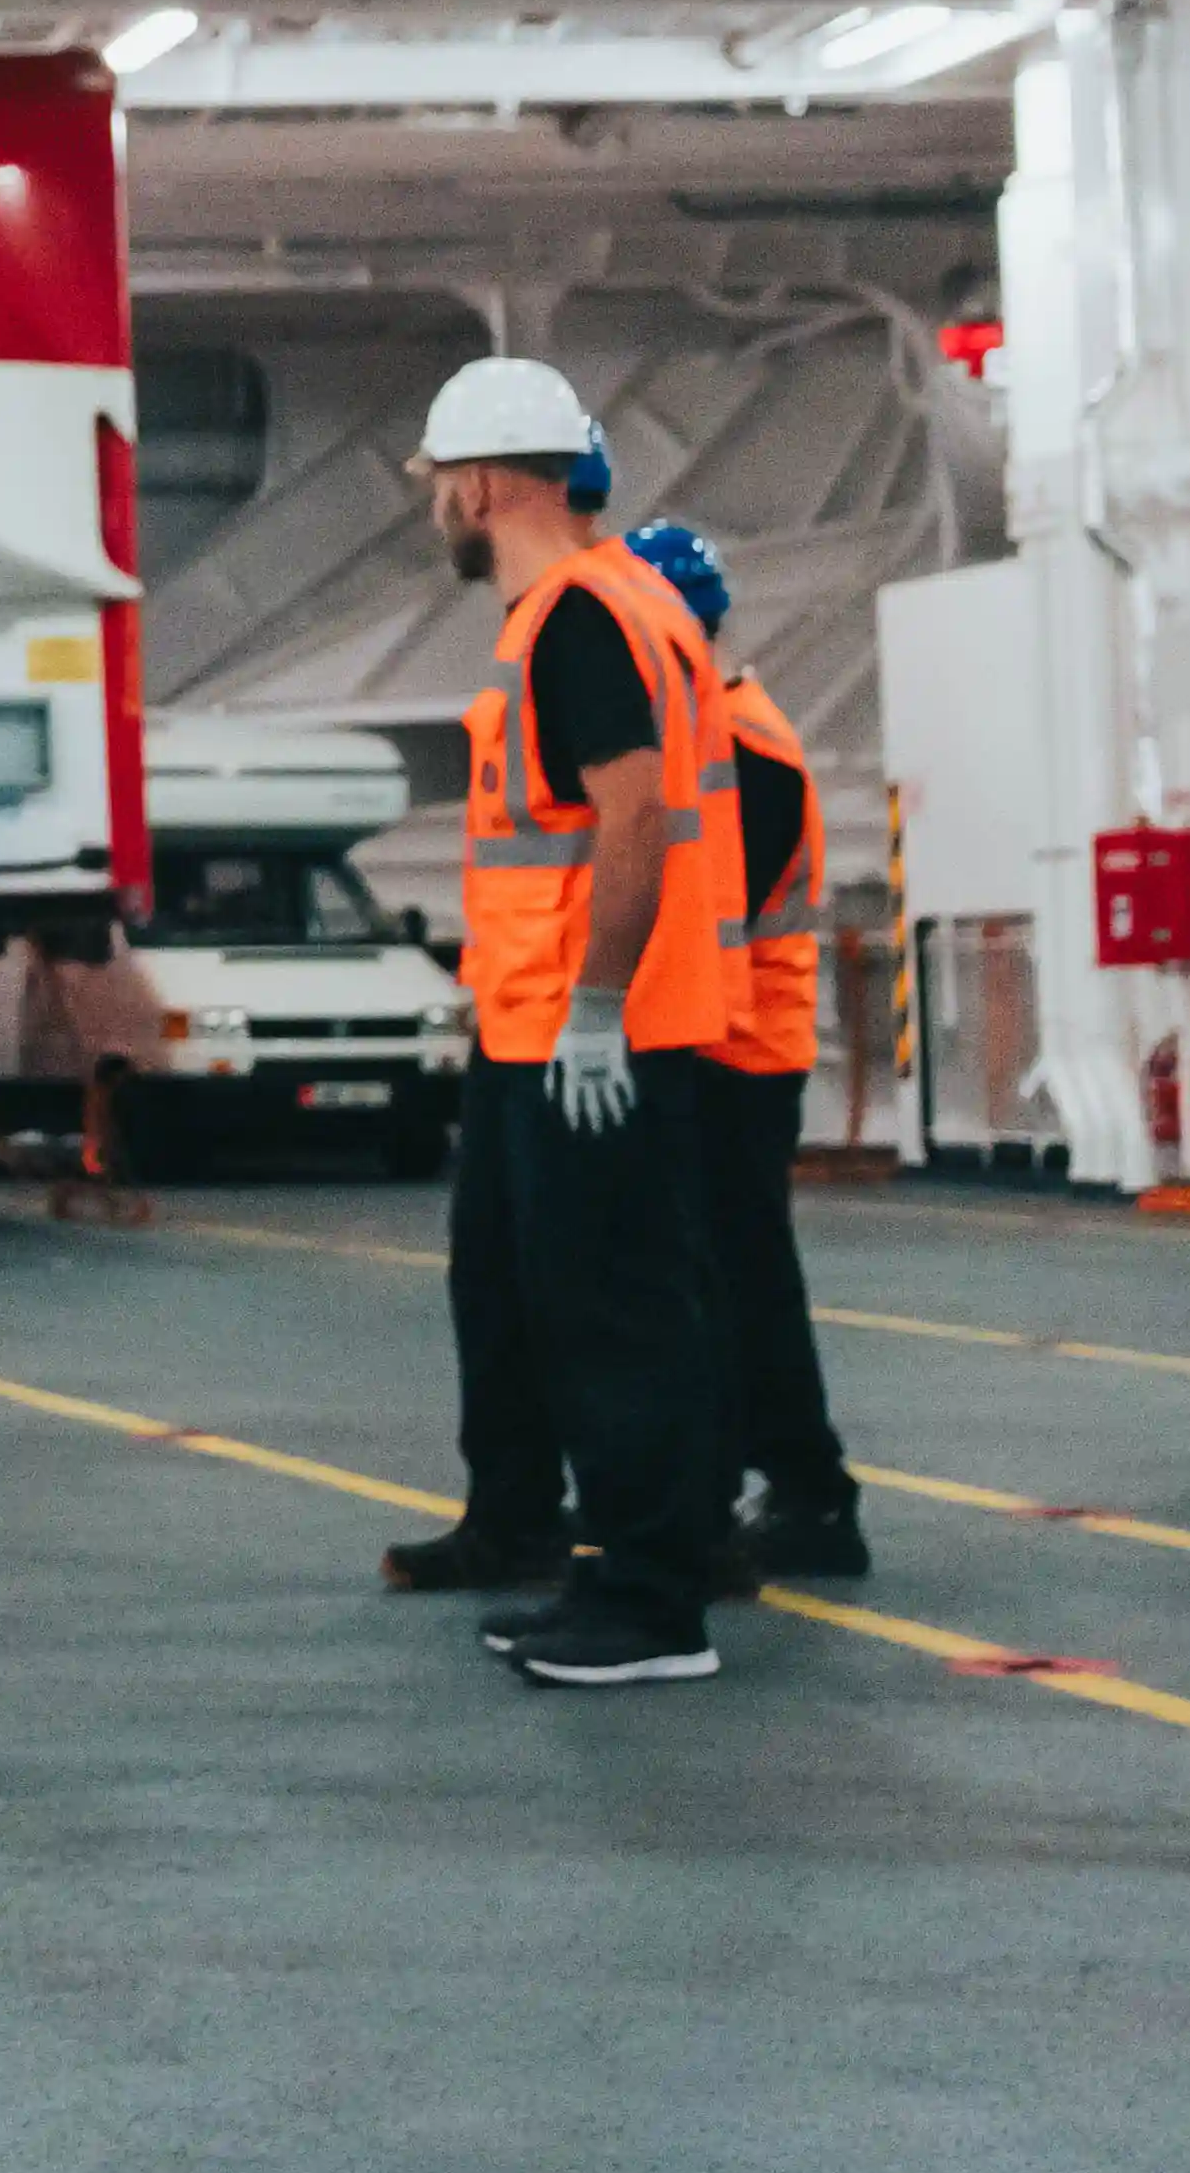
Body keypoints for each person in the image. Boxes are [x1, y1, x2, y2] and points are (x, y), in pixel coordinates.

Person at [368, 355, 753, 1689]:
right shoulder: (617, 604)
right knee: (583, 1302)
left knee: (615, 1319)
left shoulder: (575, 621)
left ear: (476, 485)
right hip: (547, 1031)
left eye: (435, 485)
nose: (434, 508)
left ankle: (652, 1609)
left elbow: (631, 818)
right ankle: (622, 1568)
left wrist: (591, 1009)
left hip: (590, 1035)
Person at [624, 520, 868, 1583]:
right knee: (735, 1279)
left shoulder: (740, 746)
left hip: (733, 1053)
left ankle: (787, 1494)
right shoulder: (720, 732)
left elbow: (707, 916)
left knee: (730, 1286)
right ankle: (788, 1493)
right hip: (725, 1045)